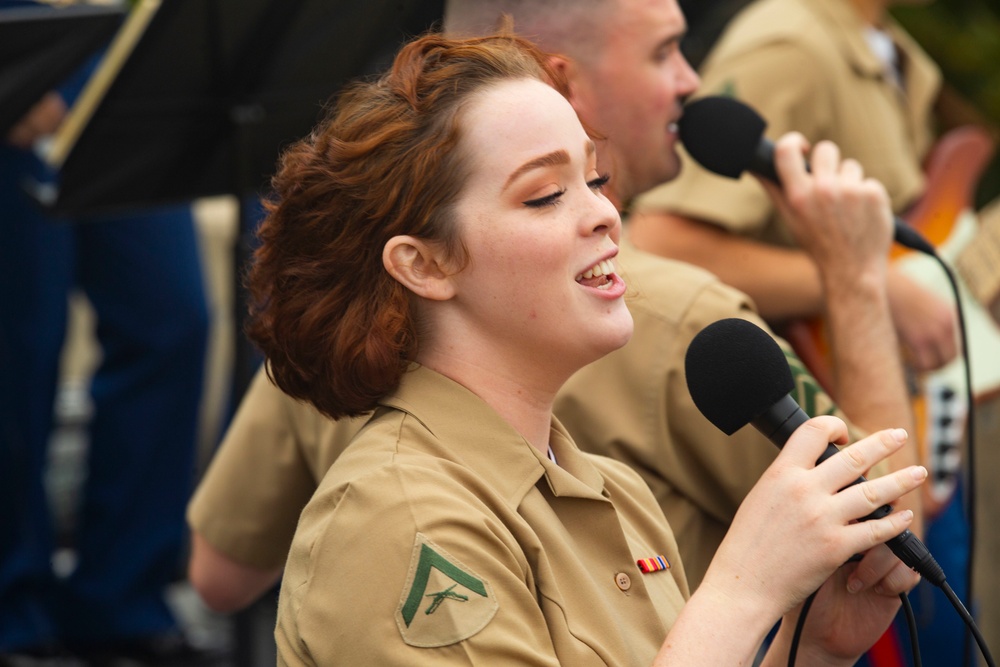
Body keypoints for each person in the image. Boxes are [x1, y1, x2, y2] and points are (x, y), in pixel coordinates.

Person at [187, 0, 919, 609]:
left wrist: (810, 649)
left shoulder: (610, 487)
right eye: (663, 52)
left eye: (596, 181)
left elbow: (219, 572)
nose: (692, 79)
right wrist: (854, 279)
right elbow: (890, 524)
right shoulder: (683, 314)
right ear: (422, 266)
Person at [625, 0, 970, 660]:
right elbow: (663, 238)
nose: (688, 82)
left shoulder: (891, 48)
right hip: (847, 442)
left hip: (904, 409)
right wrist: (861, 279)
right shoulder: (789, 44)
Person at [0, 8, 211, 663]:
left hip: (124, 39)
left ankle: (120, 596)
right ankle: (13, 608)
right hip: (21, 36)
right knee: (22, 342)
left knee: (172, 319)